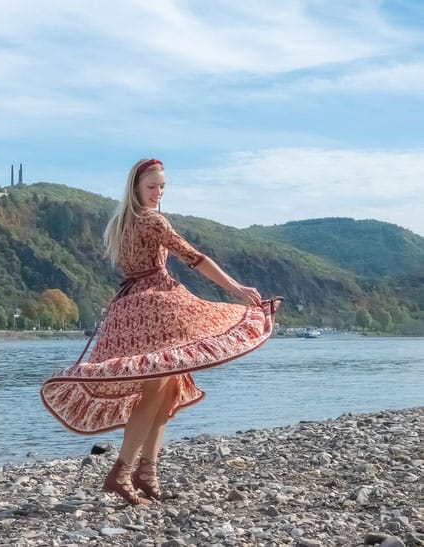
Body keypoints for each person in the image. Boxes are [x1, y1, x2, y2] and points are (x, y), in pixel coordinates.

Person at [41, 158, 282, 505]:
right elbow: (193, 257)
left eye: (163, 187)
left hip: (130, 309)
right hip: (152, 308)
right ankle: (122, 471)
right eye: (152, 186)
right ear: (136, 188)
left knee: (168, 387)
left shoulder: (120, 223)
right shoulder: (151, 220)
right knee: (156, 389)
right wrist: (236, 288)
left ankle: (147, 471)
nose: (158, 193)